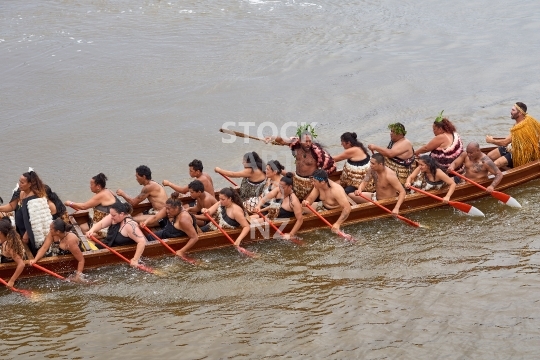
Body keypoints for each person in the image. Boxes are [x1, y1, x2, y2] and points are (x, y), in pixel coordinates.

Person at [266, 124, 336, 201]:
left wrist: (318, 180)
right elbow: (282, 140)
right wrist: (271, 137)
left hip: (310, 184)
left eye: (310, 141)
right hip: (297, 180)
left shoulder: (317, 153)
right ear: (299, 140)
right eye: (305, 141)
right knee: (288, 199)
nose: (308, 144)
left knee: (304, 203)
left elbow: (330, 166)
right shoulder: (296, 146)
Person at [86, 202, 146, 267]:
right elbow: (101, 224)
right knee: (85, 242)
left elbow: (142, 242)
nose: (111, 217)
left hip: (118, 251)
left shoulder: (130, 225)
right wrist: (91, 230)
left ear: (122, 214)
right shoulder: (113, 216)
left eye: (113, 215)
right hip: (107, 246)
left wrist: (135, 260)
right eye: (111, 214)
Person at [141, 192, 199, 258]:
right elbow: (155, 217)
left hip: (169, 239)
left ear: (176, 208)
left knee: (143, 242)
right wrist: (146, 222)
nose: (167, 211)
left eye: (169, 209)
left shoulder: (183, 219)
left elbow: (194, 238)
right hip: (164, 233)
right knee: (145, 237)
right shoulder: (170, 208)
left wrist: (181, 251)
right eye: (166, 208)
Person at [29, 218, 85, 282]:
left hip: (74, 255)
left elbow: (81, 260)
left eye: (51, 229)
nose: (50, 230)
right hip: (60, 255)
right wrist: (35, 260)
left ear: (58, 231)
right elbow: (44, 248)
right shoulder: (52, 234)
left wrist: (77, 277)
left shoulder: (70, 241)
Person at [486, 102, 540, 168]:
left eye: (513, 110)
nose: (511, 112)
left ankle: (486, 177)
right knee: (489, 156)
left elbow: (505, 142)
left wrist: (491, 141)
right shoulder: (525, 119)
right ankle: (506, 170)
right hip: (512, 147)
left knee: (497, 163)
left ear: (520, 113)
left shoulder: (520, 128)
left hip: (519, 154)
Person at [253, 172, 303, 240]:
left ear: (290, 187)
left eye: (283, 187)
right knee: (249, 219)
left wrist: (291, 234)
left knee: (251, 223)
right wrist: (258, 206)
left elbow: (300, 220)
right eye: (279, 186)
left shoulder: (294, 201)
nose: (280, 188)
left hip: (278, 221)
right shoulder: (278, 190)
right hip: (270, 216)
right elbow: (265, 198)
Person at [14, 170, 53, 256]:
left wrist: (26, 234)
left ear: (30, 184)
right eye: (19, 181)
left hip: (30, 232)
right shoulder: (22, 193)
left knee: (32, 249)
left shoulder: (35, 199)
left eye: (22, 182)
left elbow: (35, 221)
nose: (19, 184)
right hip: (21, 227)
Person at [367, 123, 415, 187]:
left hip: (401, 171)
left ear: (400, 134)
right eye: (391, 131)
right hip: (390, 167)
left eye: (393, 132)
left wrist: (375, 147)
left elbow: (390, 154)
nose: (391, 133)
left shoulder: (405, 143)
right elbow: (386, 152)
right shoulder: (393, 141)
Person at [0, 218, 26, 288]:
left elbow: (21, 264)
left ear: (0, 233)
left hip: (9, 263)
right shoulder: (11, 237)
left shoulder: (9, 245)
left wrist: (11, 280)